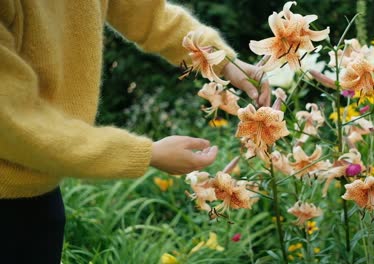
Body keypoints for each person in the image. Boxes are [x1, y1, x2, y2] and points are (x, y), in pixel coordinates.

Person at [0, 0, 269, 263]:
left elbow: (151, 15)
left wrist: (224, 62)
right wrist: (146, 153)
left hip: (40, 193)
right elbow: (11, 122)